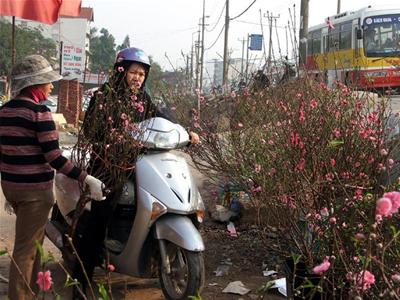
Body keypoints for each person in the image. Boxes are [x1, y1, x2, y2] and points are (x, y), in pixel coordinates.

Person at [71, 47, 199, 298]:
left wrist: (184, 131)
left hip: (140, 164)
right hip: (109, 168)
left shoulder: (142, 99)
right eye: (133, 72)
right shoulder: (103, 97)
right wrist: (115, 139)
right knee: (98, 223)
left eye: (142, 74)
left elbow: (161, 117)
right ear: (121, 71)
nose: (137, 78)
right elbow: (90, 132)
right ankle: (79, 283)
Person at [0, 54, 105, 300]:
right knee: (26, 250)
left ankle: (32, 292)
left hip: (12, 188)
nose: (51, 86)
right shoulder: (40, 113)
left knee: (34, 245)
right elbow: (55, 158)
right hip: (35, 193)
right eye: (47, 82)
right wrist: (86, 178)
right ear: (34, 85)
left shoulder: (4, 111)